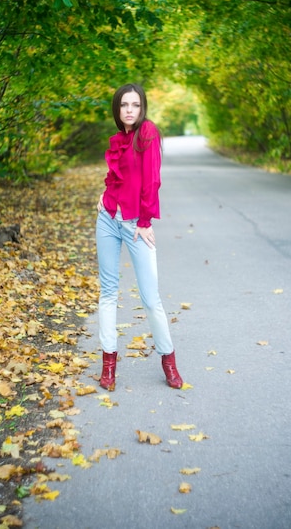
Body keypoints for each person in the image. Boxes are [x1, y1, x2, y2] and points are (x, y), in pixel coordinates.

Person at [96, 83, 183, 391]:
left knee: (150, 298)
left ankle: (169, 362)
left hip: (136, 224)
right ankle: (108, 365)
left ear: (142, 107)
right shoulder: (119, 138)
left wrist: (145, 221)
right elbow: (117, 176)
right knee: (108, 292)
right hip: (107, 219)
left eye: (134, 104)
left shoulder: (147, 133)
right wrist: (104, 198)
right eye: (124, 105)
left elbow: (152, 180)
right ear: (117, 109)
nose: (129, 109)